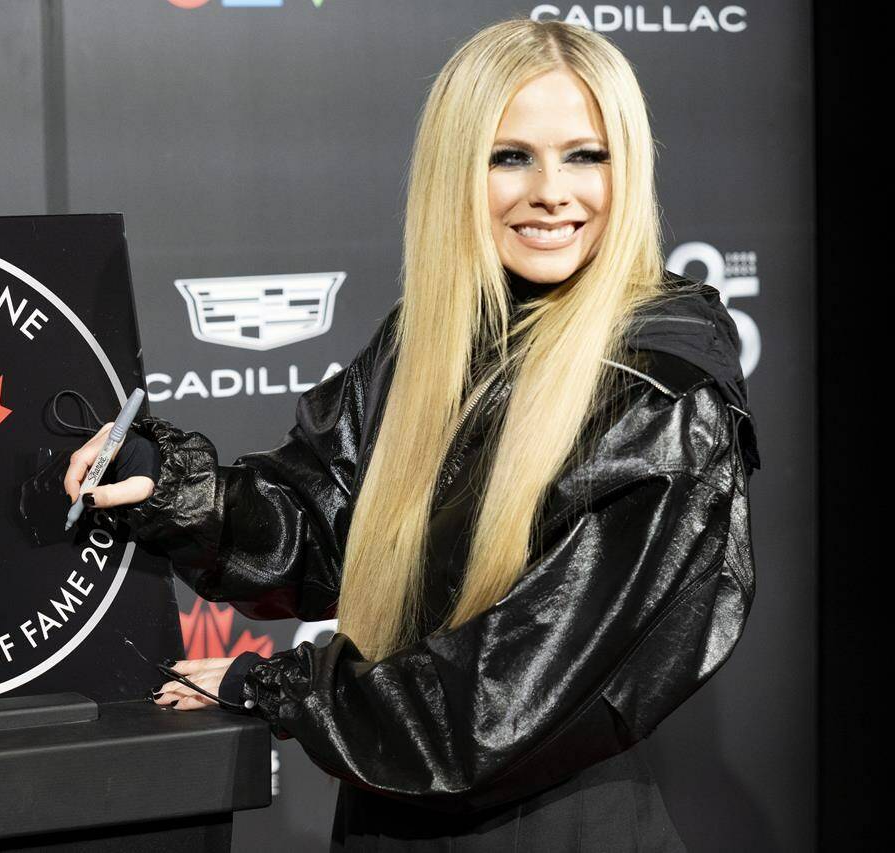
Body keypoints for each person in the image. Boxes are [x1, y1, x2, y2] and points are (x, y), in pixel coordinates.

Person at [63, 17, 759, 851]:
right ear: (456, 170)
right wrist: (172, 485)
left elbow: (505, 701)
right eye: (510, 156)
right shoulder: (430, 339)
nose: (552, 190)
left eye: (586, 154)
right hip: (388, 816)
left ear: (628, 167)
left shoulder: (660, 388)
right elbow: (322, 525)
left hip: (548, 826)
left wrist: (284, 689)